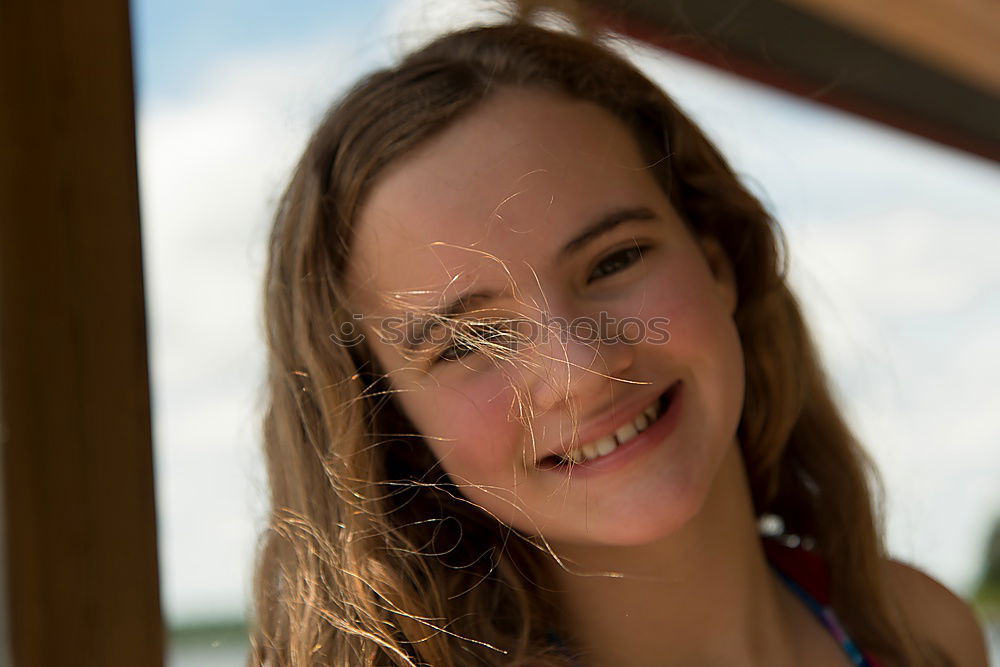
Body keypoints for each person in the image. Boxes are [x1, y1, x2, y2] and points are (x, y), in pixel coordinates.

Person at [248, 10, 989, 667]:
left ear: (715, 258)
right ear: (393, 425)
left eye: (615, 260)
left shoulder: (923, 630)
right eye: (468, 341)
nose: (581, 366)